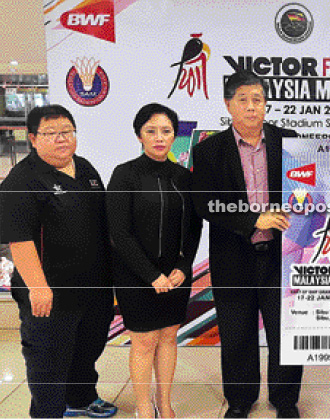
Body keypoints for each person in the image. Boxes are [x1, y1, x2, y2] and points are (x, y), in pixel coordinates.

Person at [191, 70, 303, 419]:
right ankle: (240, 399)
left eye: (258, 100)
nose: (252, 107)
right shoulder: (208, 150)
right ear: (229, 104)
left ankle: (285, 401)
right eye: (244, 100)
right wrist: (253, 219)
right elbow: (205, 204)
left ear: (266, 104)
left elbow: (309, 192)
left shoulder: (291, 141)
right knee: (237, 332)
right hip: (232, 256)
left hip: (281, 257)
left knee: (286, 333)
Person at [0, 105, 117, 418]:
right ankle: (48, 411)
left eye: (66, 132)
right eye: (51, 134)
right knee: (48, 356)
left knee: (88, 346)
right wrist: (38, 287)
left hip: (94, 286)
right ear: (34, 139)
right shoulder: (22, 179)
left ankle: (80, 397)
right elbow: (19, 239)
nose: (61, 139)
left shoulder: (86, 169)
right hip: (49, 290)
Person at [106, 103, 201, 418]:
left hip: (174, 276)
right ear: (139, 135)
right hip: (136, 275)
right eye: (151, 131)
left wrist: (183, 268)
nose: (159, 138)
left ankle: (165, 403)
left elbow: (194, 227)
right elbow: (119, 233)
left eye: (166, 131)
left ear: (175, 135)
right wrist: (151, 275)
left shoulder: (184, 177)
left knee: (169, 337)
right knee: (144, 341)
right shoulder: (125, 174)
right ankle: (144, 406)